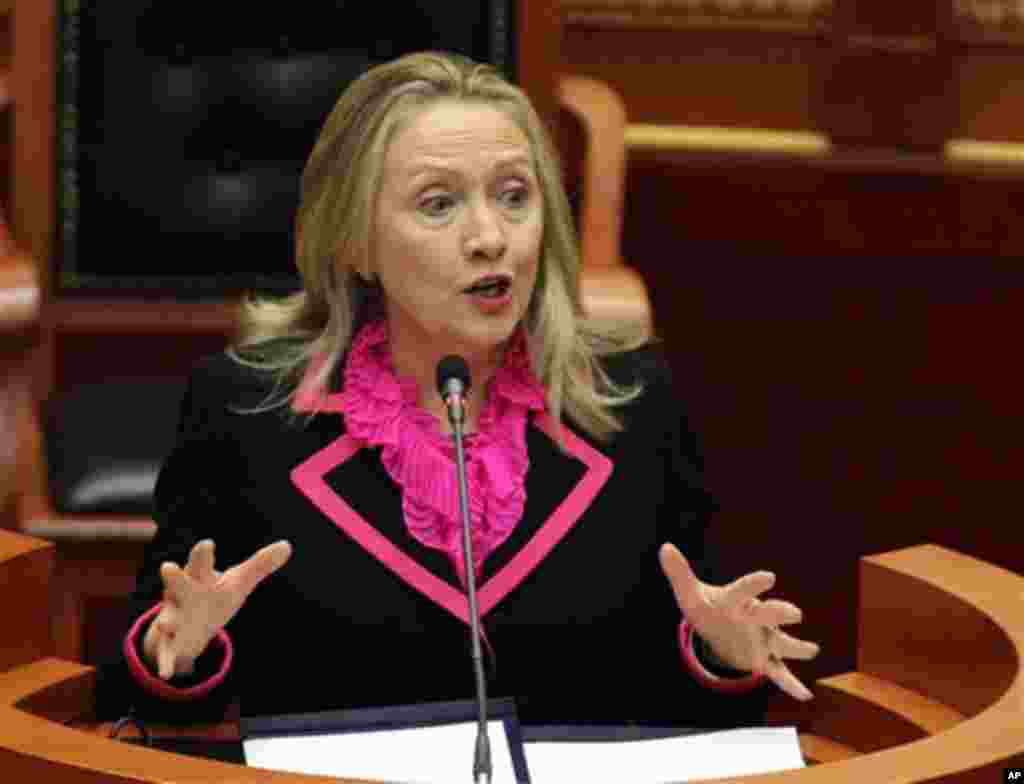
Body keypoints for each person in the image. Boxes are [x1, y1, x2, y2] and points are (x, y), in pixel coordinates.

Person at [98, 51, 819, 728]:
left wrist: (722, 656)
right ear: (356, 244)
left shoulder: (632, 406)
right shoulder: (245, 416)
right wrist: (181, 654)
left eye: (514, 196)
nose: (489, 237)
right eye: (438, 205)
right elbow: (142, 698)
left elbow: (684, 700)